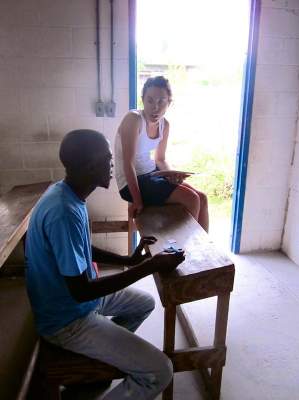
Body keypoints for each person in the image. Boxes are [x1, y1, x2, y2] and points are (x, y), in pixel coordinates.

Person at [25, 129, 185, 400]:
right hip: (65, 320)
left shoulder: (66, 193)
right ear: (89, 166)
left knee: (144, 304)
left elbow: (81, 250)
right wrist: (150, 266)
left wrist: (128, 260)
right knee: (160, 371)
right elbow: (82, 291)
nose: (112, 165)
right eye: (108, 159)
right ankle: (96, 356)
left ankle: (98, 363)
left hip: (74, 303)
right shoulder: (63, 211)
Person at [114, 75, 209, 232]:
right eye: (150, 100)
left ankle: (204, 252)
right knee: (192, 199)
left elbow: (160, 159)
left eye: (161, 101)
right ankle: (184, 251)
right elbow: (127, 163)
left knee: (202, 198)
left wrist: (171, 175)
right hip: (130, 182)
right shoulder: (134, 119)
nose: (155, 107)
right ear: (143, 99)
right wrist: (137, 201)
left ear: (169, 103)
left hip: (151, 174)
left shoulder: (165, 125)